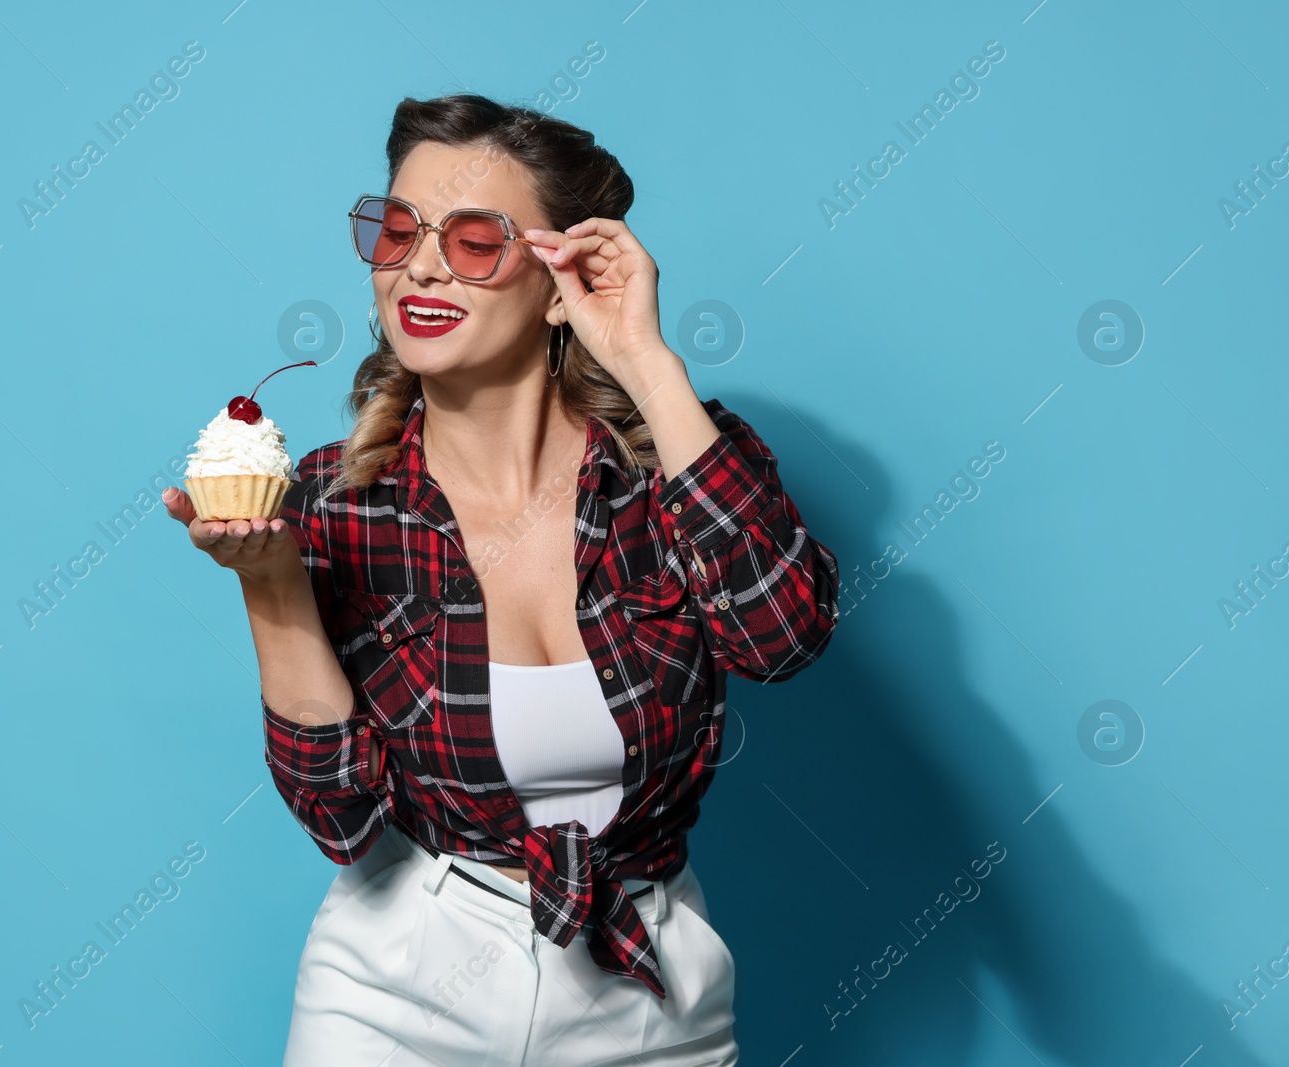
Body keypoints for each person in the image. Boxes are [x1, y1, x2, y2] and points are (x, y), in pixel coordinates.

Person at [163, 93, 840, 1067]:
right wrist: (269, 583)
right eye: (397, 232)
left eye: (476, 240)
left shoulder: (675, 476)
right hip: (400, 973)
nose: (422, 265)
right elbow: (342, 819)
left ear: (560, 280)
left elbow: (782, 637)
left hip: (645, 983)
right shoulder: (329, 498)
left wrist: (647, 362)